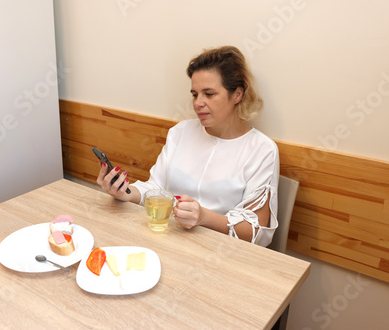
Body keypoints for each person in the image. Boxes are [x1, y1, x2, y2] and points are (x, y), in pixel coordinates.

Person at [97, 46, 279, 247]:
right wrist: (123, 192)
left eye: (209, 94)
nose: (198, 103)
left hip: (220, 254)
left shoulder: (262, 150)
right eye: (195, 94)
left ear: (237, 94)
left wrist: (203, 217)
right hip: (169, 241)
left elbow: (256, 232)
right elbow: (156, 188)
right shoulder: (181, 132)